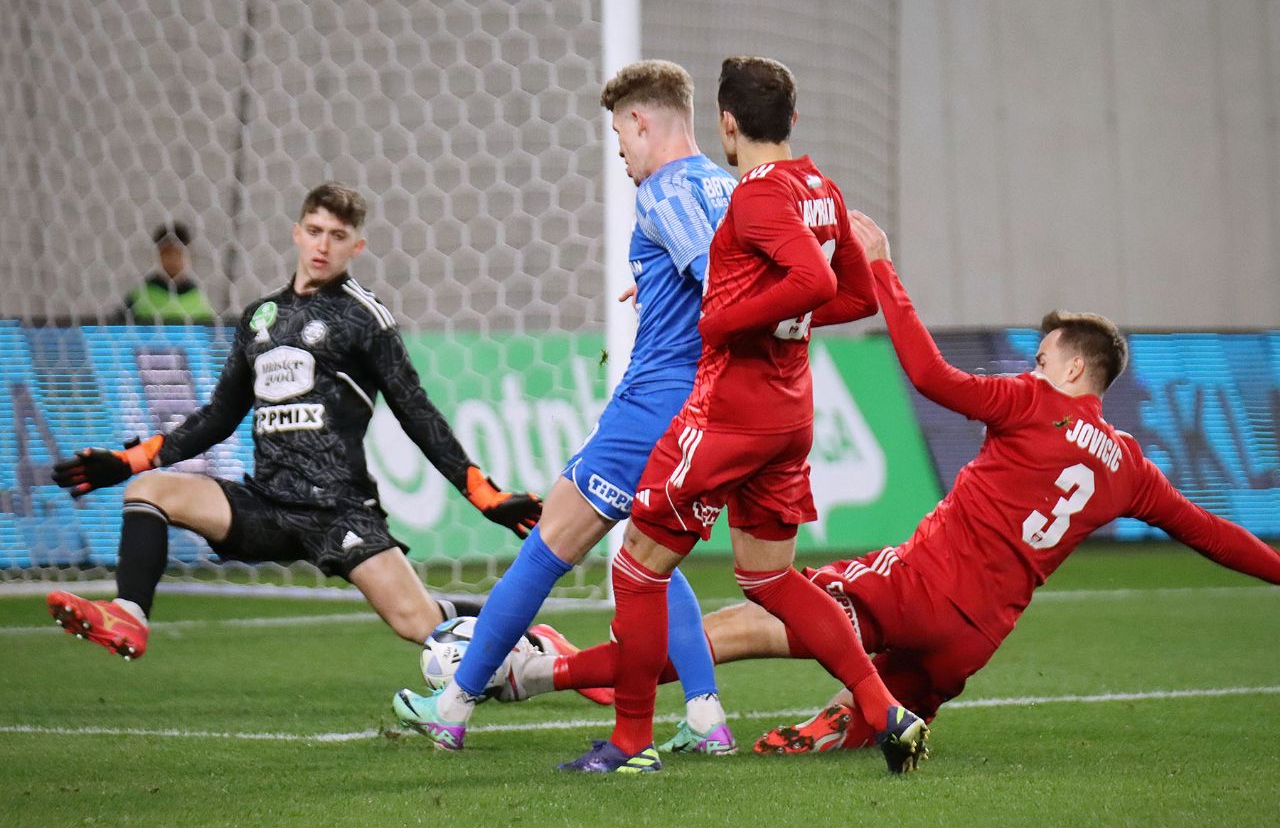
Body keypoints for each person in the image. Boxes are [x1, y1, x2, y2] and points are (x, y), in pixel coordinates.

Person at [512, 209, 1280, 757]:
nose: (1033, 366)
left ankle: (544, 673)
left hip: (912, 588)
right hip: (972, 642)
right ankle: (843, 718)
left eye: (1043, 357)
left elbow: (930, 375)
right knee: (887, 704)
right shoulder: (1130, 468)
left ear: (1074, 368)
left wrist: (882, 269)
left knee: (735, 627)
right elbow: (1214, 534)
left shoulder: (1032, 403)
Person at [555, 56, 919, 777]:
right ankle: (885, 709)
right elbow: (851, 296)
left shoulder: (755, 197)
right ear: (791, 118)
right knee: (769, 579)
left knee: (636, 568)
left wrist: (724, 319)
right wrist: (780, 312)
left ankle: (629, 743)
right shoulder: (821, 190)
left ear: (727, 124)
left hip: (730, 411)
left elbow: (809, 283)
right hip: (791, 411)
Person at [393, 60, 741, 755]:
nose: (623, 157)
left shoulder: (664, 191)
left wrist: (686, 293)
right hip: (711, 410)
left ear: (640, 121)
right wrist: (659, 290)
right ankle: (707, 718)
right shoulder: (725, 186)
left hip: (652, 407)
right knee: (650, 558)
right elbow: (729, 273)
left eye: (620, 139)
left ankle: (454, 704)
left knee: (548, 544)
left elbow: (720, 286)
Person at [48, 182, 541, 662]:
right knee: (149, 491)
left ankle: (535, 641)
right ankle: (129, 616)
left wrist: (484, 495)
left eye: (338, 235)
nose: (323, 245)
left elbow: (416, 411)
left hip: (338, 509)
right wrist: (129, 461)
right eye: (315, 230)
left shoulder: (363, 317)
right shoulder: (259, 318)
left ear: (357, 246)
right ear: (297, 233)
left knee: (418, 622)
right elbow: (219, 416)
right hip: (268, 503)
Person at [122, 221, 217, 323]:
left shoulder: (199, 298)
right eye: (167, 253)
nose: (173, 259)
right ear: (157, 255)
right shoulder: (139, 296)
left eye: (179, 253)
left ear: (189, 255)